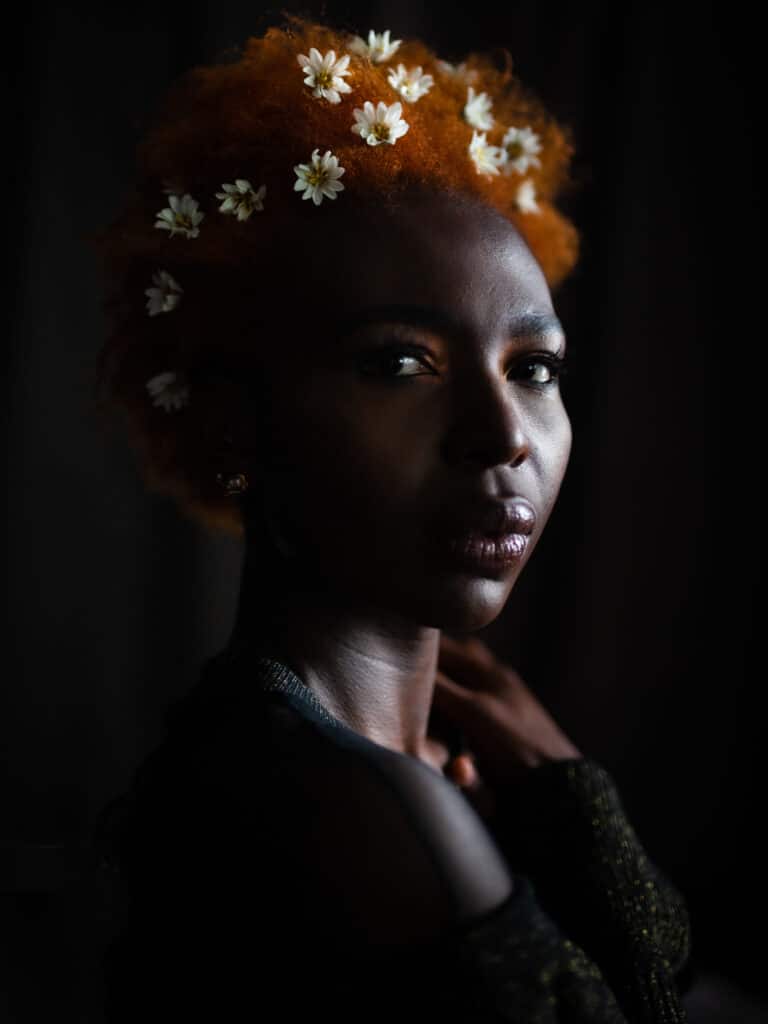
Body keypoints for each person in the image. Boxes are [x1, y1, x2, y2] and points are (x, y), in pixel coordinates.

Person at [85, 13, 695, 1021]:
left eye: (534, 368)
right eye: (399, 363)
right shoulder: (364, 812)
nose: (505, 436)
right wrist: (573, 797)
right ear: (240, 419)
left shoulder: (365, 765)